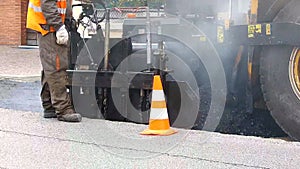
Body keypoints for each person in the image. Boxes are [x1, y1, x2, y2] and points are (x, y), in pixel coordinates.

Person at [26, 0, 82, 122]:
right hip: (49, 27)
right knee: (56, 67)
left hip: (50, 26)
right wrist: (59, 26)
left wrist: (67, 19)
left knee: (50, 67)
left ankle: (49, 105)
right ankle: (63, 109)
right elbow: (47, 4)